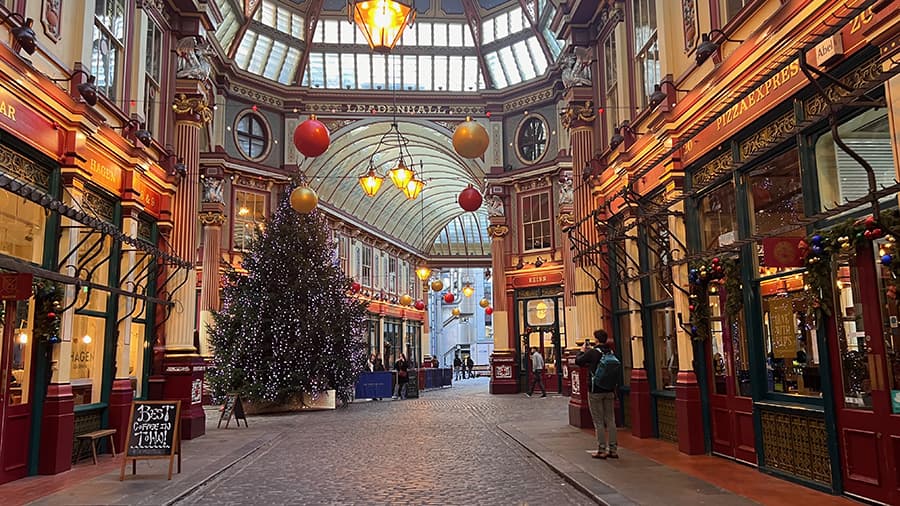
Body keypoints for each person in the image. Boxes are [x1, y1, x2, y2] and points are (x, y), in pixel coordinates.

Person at [575, 329, 620, 459]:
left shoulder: (593, 352)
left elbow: (579, 361)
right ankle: (613, 449)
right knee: (611, 420)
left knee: (599, 421)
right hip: (610, 390)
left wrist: (582, 351)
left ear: (596, 339)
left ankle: (601, 449)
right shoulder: (611, 352)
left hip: (596, 390)